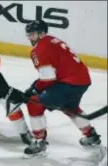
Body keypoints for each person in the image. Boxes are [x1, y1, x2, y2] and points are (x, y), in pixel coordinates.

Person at [23, 20, 101, 156]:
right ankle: (91, 135)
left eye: (32, 34)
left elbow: (48, 79)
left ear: (41, 34)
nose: (30, 37)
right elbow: (54, 71)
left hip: (68, 83)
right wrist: (36, 86)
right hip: (82, 80)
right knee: (70, 108)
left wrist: (35, 90)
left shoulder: (39, 50)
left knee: (34, 103)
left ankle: (39, 141)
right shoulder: (52, 40)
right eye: (28, 34)